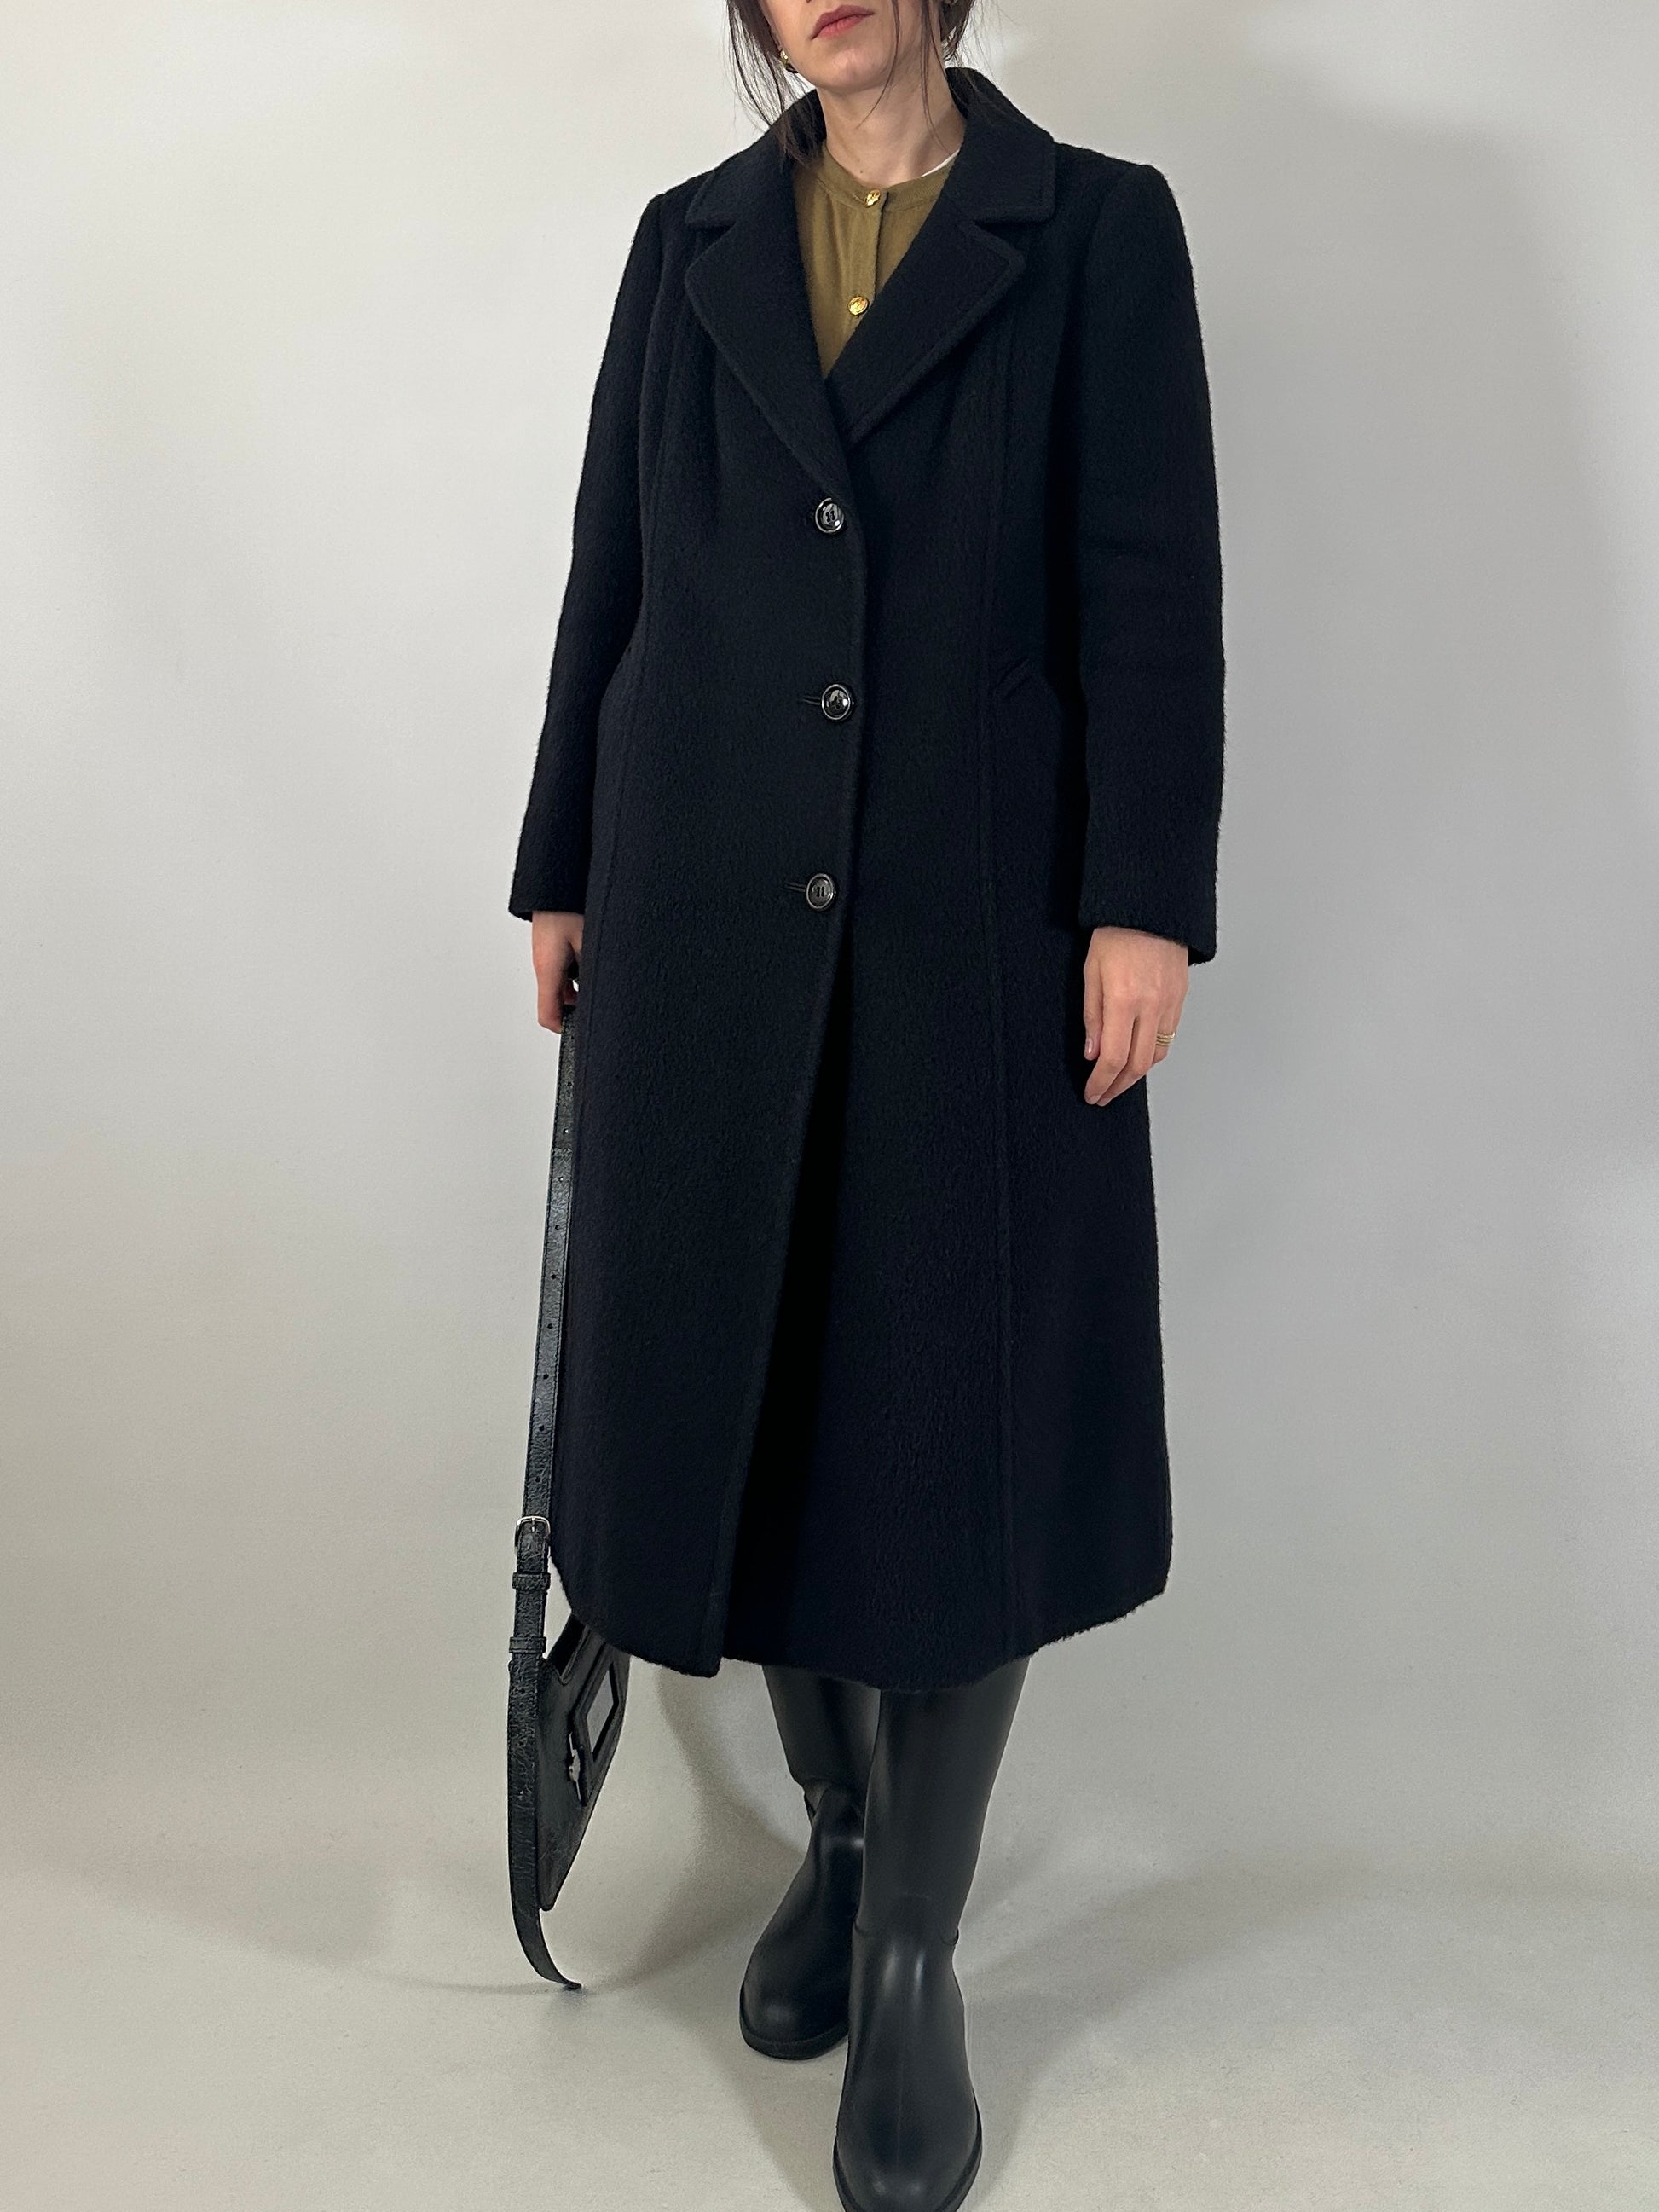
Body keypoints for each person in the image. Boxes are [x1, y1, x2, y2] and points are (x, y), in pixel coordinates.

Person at [509, 4, 1224, 2205]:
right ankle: (832, 1836)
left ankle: (912, 1943)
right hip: (703, 908)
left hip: (972, 927)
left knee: (951, 1421)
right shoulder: (687, 241)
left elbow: (1151, 587)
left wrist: (1141, 898)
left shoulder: (1094, 230)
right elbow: (615, 563)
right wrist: (561, 859)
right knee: (758, 1394)